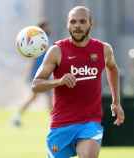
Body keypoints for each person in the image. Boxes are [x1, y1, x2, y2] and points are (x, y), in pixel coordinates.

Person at [32, 6, 125, 158]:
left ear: (90, 24)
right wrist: (59, 82)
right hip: (61, 125)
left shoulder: (103, 50)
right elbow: (36, 85)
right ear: (68, 24)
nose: (77, 26)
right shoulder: (57, 51)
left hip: (90, 123)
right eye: (73, 22)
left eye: (82, 22)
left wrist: (116, 102)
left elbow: (113, 69)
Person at [11, 20, 52, 127]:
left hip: (44, 74)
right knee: (43, 98)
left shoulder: (46, 41)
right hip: (40, 75)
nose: (49, 29)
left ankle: (17, 115)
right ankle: (17, 115)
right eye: (46, 27)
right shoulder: (39, 41)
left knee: (43, 98)